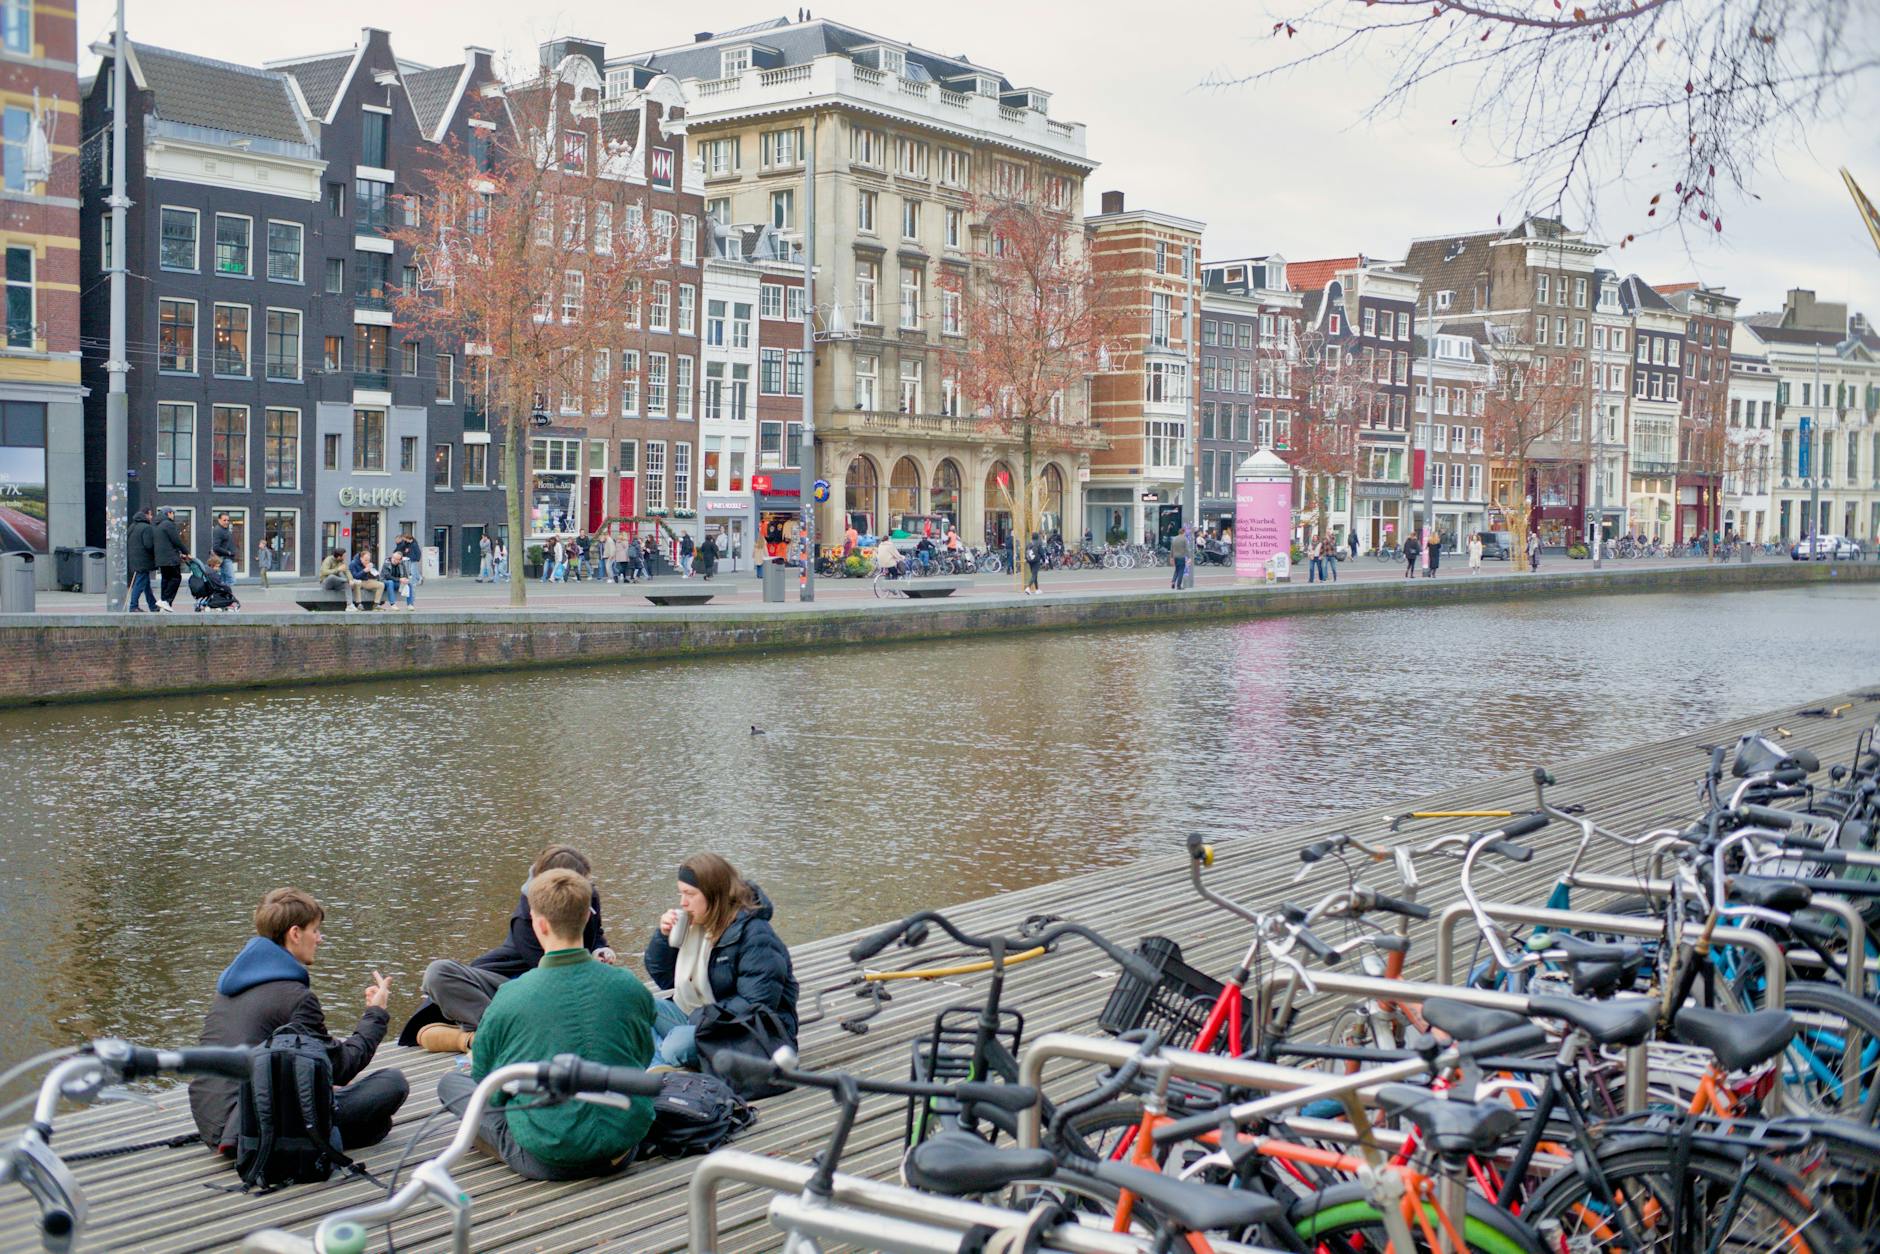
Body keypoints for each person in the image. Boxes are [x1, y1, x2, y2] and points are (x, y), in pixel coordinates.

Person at [437, 869, 655, 1180]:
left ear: (539, 924)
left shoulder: (511, 996)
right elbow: (642, 1056)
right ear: (587, 917)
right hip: (624, 1148)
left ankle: (494, 1143)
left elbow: (487, 1083)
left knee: (451, 1084)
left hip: (549, 1156)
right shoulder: (629, 985)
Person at [188, 888, 407, 1158]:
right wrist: (376, 1014)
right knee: (392, 1084)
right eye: (315, 930)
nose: (319, 939)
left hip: (211, 1123)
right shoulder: (296, 998)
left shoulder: (230, 986)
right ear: (294, 934)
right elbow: (342, 1067)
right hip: (254, 1129)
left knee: (368, 1117)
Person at [417, 845, 615, 1051]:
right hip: (521, 983)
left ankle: (484, 1038)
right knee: (438, 973)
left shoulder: (588, 894)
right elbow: (548, 973)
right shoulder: (525, 917)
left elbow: (596, 934)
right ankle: (493, 1033)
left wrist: (600, 951)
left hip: (556, 990)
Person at [643, 854, 798, 1070]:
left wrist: (701, 1019)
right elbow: (664, 979)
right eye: (680, 893)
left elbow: (756, 1004)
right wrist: (663, 936)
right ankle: (658, 1068)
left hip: (747, 1033)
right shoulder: (696, 923)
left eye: (689, 894)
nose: (682, 902)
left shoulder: (755, 934)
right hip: (701, 1017)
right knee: (636, 1005)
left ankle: (657, 1061)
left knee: (675, 1046)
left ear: (714, 895)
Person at [155, 506, 188, 611]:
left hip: (161, 558)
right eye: (173, 513)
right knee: (176, 578)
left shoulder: (158, 525)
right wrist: (186, 552)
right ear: (168, 514)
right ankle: (165, 600)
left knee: (165, 580)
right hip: (170, 558)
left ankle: (164, 605)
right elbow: (176, 540)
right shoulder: (168, 524)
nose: (174, 515)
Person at [127, 508, 159, 612]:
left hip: (134, 559)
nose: (151, 517)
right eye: (150, 515)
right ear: (146, 515)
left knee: (146, 584)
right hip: (144, 560)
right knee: (140, 583)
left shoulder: (132, 527)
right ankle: (133, 606)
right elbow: (148, 545)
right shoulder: (146, 528)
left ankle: (153, 605)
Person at [348, 545, 385, 611]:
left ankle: (376, 605)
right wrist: (364, 571)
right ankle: (359, 604)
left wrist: (373, 571)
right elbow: (354, 576)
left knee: (381, 585)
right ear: (361, 558)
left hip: (365, 581)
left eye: (368, 560)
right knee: (358, 583)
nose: (367, 561)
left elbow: (375, 576)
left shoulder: (368, 563)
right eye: (365, 560)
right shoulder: (353, 563)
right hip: (356, 581)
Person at [210, 513, 238, 586]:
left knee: (224, 580)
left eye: (228, 520)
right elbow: (216, 547)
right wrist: (228, 553)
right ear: (219, 520)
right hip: (224, 558)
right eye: (224, 520)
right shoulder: (218, 530)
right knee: (231, 580)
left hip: (225, 558)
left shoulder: (225, 529)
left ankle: (223, 595)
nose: (226, 522)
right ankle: (224, 594)